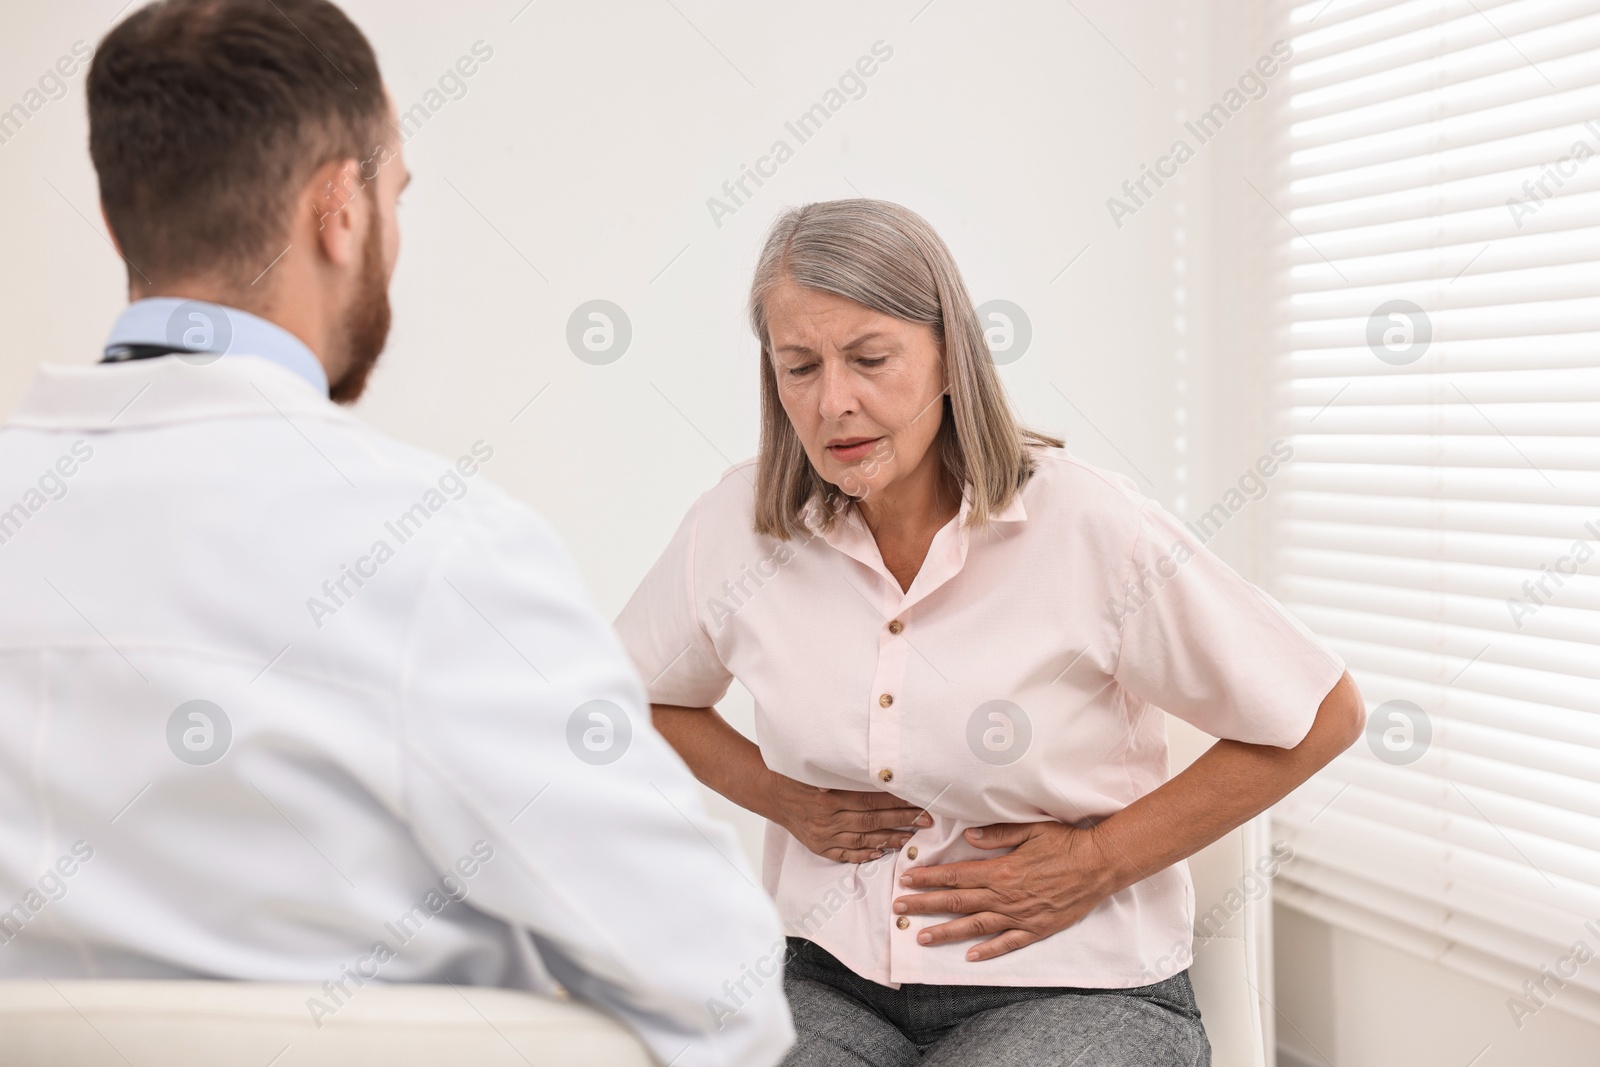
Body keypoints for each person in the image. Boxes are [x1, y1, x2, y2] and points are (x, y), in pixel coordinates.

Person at [0, 2, 793, 1063]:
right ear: (339, 207)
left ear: (117, 224)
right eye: (395, 194)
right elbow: (721, 987)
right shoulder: (438, 547)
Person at [614, 198, 1367, 1066]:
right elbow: (626, 691)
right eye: (799, 368)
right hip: (828, 980)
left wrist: (1100, 859)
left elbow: (1323, 713)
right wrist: (781, 797)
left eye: (870, 358)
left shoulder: (1086, 525)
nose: (834, 403)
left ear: (947, 355)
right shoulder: (740, 528)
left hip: (1073, 988)